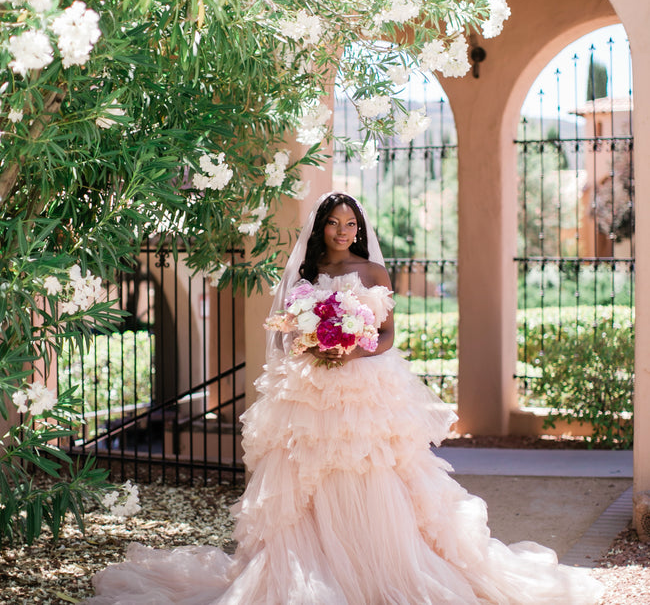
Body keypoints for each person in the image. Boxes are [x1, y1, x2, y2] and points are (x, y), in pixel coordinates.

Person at [87, 192, 604, 604]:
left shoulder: (374, 274)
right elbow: (288, 333)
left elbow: (388, 336)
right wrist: (312, 343)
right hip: (310, 390)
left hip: (362, 388)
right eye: (334, 223)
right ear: (321, 229)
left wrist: (354, 353)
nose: (343, 232)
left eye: (350, 224)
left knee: (372, 473)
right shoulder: (306, 277)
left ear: (359, 230)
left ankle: (378, 566)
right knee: (307, 479)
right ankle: (311, 571)